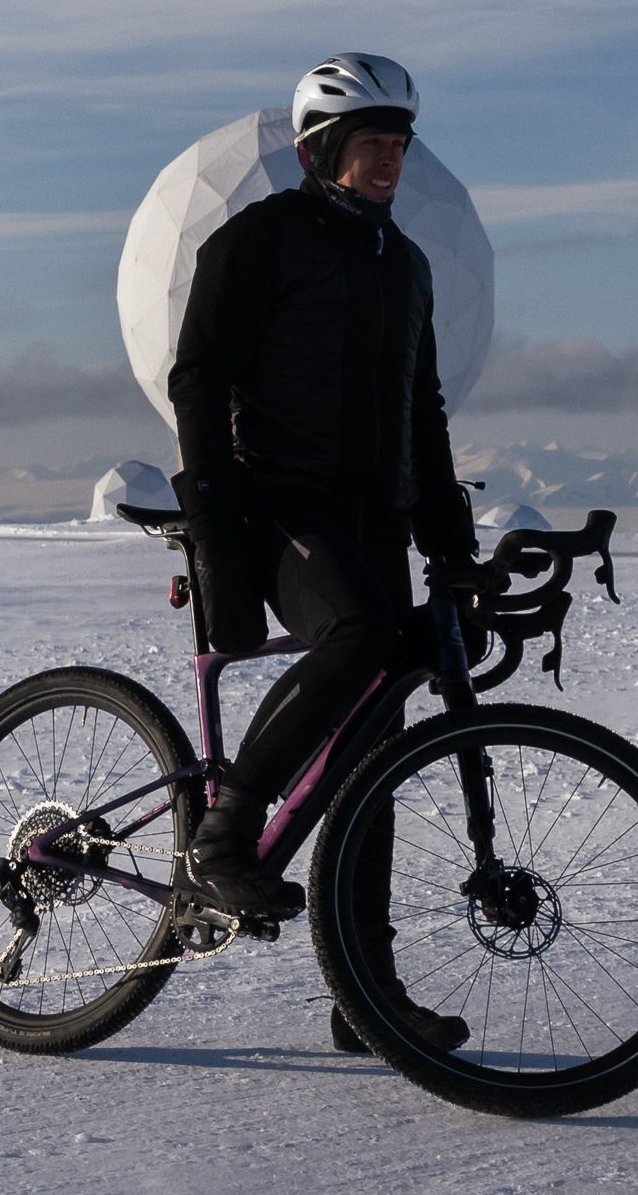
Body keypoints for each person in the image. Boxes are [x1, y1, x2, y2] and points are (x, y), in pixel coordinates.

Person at [166, 52, 481, 1052]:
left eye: (397, 143)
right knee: (354, 637)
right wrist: (213, 512)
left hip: (371, 519)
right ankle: (224, 835)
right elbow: (197, 378)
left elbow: (419, 411)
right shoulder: (256, 242)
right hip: (276, 509)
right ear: (321, 152)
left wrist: (450, 544)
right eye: (370, 145)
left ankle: (365, 995)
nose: (389, 161)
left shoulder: (408, 266)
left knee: (375, 756)